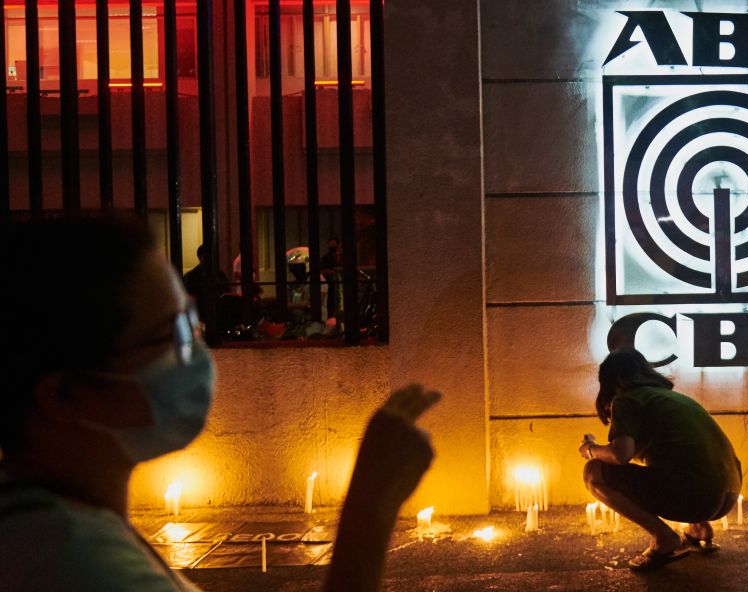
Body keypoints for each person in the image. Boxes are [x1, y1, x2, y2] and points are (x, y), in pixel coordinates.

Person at [0, 216, 439, 592]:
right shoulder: (79, 566)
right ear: (62, 394)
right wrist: (371, 510)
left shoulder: (53, 522)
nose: (195, 352)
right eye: (169, 336)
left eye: (191, 323)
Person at [578, 348, 741, 572]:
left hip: (697, 496)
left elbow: (620, 455)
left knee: (593, 472)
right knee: (679, 462)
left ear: (610, 380)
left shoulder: (626, 399)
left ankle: (663, 538)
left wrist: (590, 449)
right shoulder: (674, 398)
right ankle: (700, 530)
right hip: (729, 493)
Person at [180, 244, 228, 318]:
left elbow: (225, 293)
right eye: (206, 256)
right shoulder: (191, 276)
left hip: (216, 313)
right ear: (200, 257)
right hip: (200, 313)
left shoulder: (219, 274)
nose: (210, 259)